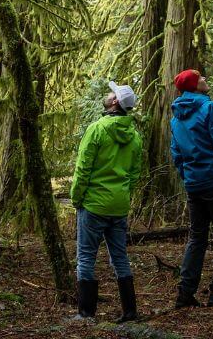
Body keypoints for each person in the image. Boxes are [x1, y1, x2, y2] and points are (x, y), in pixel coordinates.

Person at [70, 81, 143, 322]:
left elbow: (83, 168)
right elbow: (134, 174)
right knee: (120, 257)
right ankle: (130, 311)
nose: (108, 94)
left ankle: (86, 313)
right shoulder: (134, 137)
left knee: (86, 258)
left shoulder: (97, 129)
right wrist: (123, 195)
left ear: (114, 103)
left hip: (93, 205)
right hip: (119, 206)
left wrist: (76, 197)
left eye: (112, 93)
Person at [170, 68, 213, 307]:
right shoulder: (210, 108)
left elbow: (176, 153)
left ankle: (185, 293)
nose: (205, 79)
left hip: (194, 184)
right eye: (200, 78)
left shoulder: (175, 117)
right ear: (193, 86)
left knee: (197, 237)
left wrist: (188, 176)